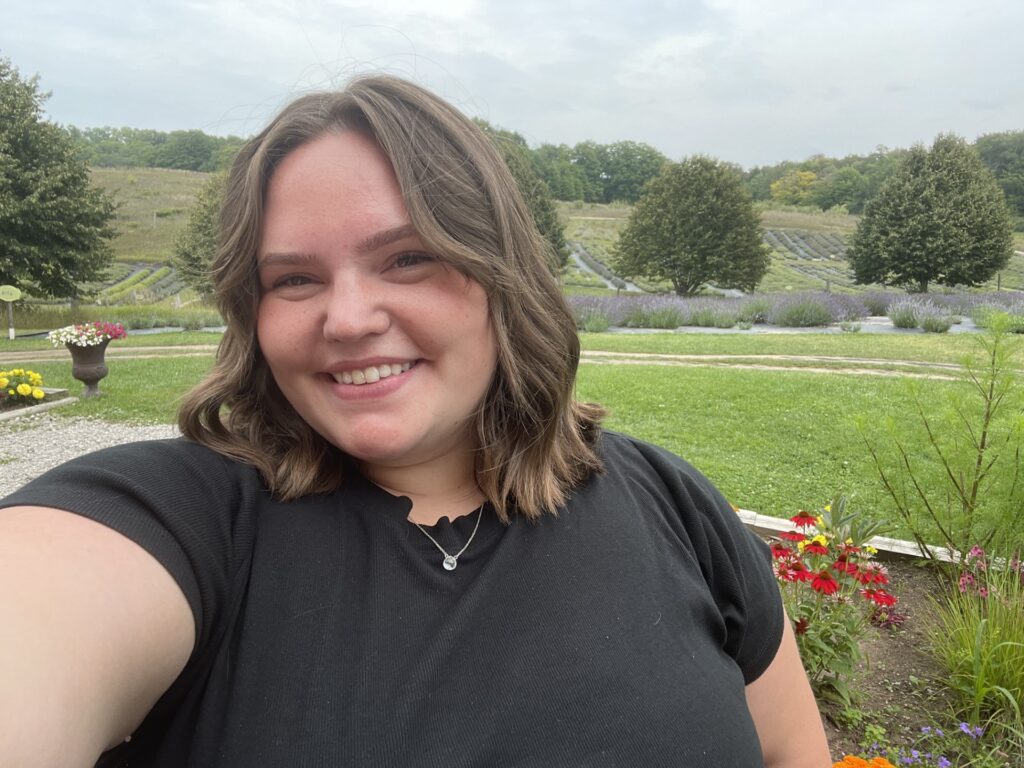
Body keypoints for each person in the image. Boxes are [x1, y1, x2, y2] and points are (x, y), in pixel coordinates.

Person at [0, 76, 831, 767]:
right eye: (293, 279)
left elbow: (794, 752)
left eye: (408, 258)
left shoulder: (674, 505)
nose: (349, 318)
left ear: (501, 277)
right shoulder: (179, 521)